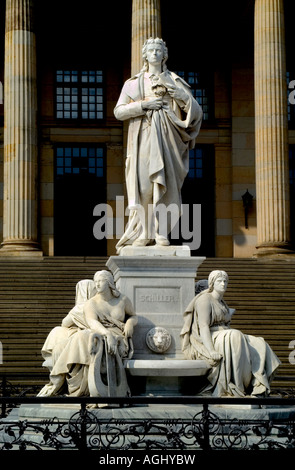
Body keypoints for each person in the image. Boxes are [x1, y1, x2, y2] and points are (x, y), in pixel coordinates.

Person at [114, 37, 203, 251]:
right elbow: (119, 111)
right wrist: (143, 105)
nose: (154, 53)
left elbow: (196, 110)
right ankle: (145, 232)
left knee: (165, 186)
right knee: (144, 186)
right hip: (142, 138)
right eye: (151, 50)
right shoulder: (133, 83)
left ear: (164, 55)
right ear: (145, 55)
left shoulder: (175, 80)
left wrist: (177, 93)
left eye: (158, 50)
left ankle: (160, 231)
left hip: (167, 138)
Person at [180, 270, 281, 397]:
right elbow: (204, 326)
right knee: (235, 335)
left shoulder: (222, 302)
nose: (223, 284)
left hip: (224, 333)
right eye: (219, 281)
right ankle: (236, 387)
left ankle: (257, 385)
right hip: (209, 337)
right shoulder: (204, 299)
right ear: (212, 283)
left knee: (259, 342)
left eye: (225, 281)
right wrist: (211, 350)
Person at [38, 271, 137, 397]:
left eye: (100, 281)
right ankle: (65, 381)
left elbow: (133, 316)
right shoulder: (91, 303)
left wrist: (130, 323)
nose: (97, 284)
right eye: (95, 281)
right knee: (72, 341)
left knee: (84, 336)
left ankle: (69, 383)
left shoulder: (122, 299)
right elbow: (92, 322)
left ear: (109, 282)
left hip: (119, 337)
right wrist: (107, 334)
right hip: (101, 333)